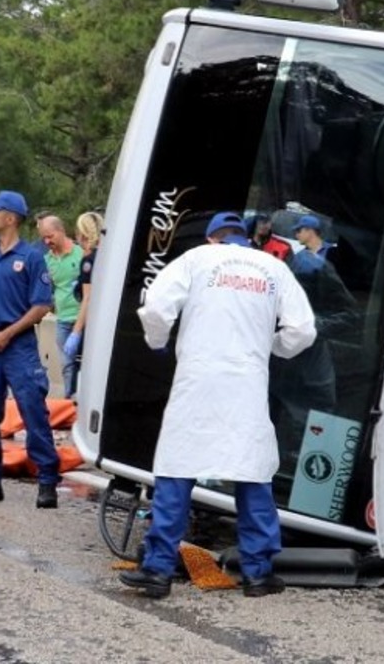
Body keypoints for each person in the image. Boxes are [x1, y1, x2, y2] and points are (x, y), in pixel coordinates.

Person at [118, 212, 316, 599]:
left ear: (212, 240)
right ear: (244, 239)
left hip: (197, 380)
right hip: (247, 383)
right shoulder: (273, 268)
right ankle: (258, 575)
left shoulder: (195, 259)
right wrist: (270, 348)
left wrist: (158, 342)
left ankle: (158, 570)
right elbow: (302, 330)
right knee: (251, 470)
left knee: (177, 469)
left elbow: (156, 309)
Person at [0, 190, 61, 508]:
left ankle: (47, 480)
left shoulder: (32, 257)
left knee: (33, 412)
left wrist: (9, 332)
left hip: (18, 345)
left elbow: (42, 304)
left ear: (10, 218)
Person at [37, 214, 84, 399]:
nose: (47, 241)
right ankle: (67, 399)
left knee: (84, 364)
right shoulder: (47, 260)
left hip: (83, 317)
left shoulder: (80, 254)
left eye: (50, 236)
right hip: (63, 318)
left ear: (61, 231)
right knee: (66, 363)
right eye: (44, 238)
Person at [62, 212, 104, 365]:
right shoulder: (107, 255)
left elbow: (88, 298)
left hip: (91, 323)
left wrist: (76, 332)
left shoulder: (88, 261)